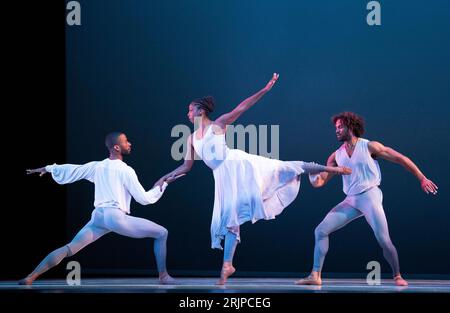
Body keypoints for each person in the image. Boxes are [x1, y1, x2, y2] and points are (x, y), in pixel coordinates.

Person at [154, 74, 351, 284]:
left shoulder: (218, 125)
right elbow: (185, 166)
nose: (188, 113)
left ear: (201, 111)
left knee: (285, 168)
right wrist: (165, 179)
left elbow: (242, 107)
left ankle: (333, 170)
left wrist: (264, 90)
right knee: (231, 218)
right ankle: (227, 266)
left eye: (191, 109)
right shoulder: (191, 138)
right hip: (223, 177)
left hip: (239, 166)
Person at [295, 112, 438, 286]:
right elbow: (319, 182)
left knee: (384, 240)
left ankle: (397, 275)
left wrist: (421, 177)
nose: (337, 131)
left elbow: (400, 158)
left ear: (350, 127)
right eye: (336, 128)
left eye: (340, 127)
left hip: (370, 195)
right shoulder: (335, 156)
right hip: (351, 200)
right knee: (320, 231)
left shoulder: (369, 146)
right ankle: (315, 275)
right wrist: (312, 173)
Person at [20, 132, 177, 285]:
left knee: (70, 248)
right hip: (115, 217)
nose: (129, 144)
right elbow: (144, 199)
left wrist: (48, 168)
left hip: (98, 217)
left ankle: (31, 277)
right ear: (116, 147)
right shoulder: (126, 170)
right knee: (162, 233)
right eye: (126, 141)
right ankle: (163, 276)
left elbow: (71, 169)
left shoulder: (97, 166)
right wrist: (163, 185)